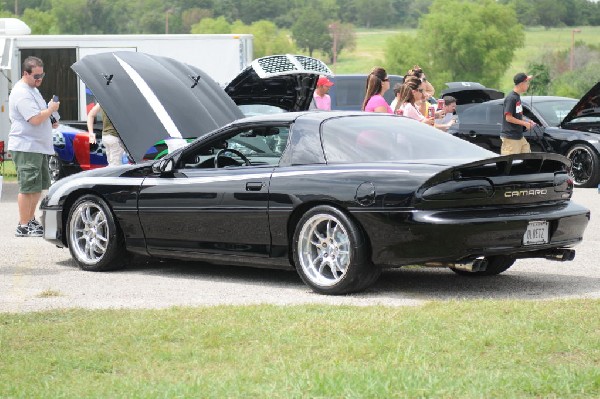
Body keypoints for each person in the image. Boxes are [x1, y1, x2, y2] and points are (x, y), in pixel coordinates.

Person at [7, 56, 60, 237]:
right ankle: (22, 225)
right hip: (26, 146)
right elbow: (35, 119)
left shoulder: (33, 90)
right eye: (36, 76)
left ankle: (30, 220)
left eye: (41, 75)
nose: (39, 79)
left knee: (37, 186)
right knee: (27, 186)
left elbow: (41, 114)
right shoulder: (21, 92)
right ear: (25, 73)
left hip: (37, 147)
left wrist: (51, 118)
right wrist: (50, 110)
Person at [501, 72, 537, 155]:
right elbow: (508, 118)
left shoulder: (517, 97)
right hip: (511, 137)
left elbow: (517, 115)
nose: (528, 85)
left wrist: (528, 121)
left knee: (527, 155)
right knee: (510, 163)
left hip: (519, 136)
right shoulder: (511, 98)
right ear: (521, 84)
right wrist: (524, 124)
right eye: (526, 82)